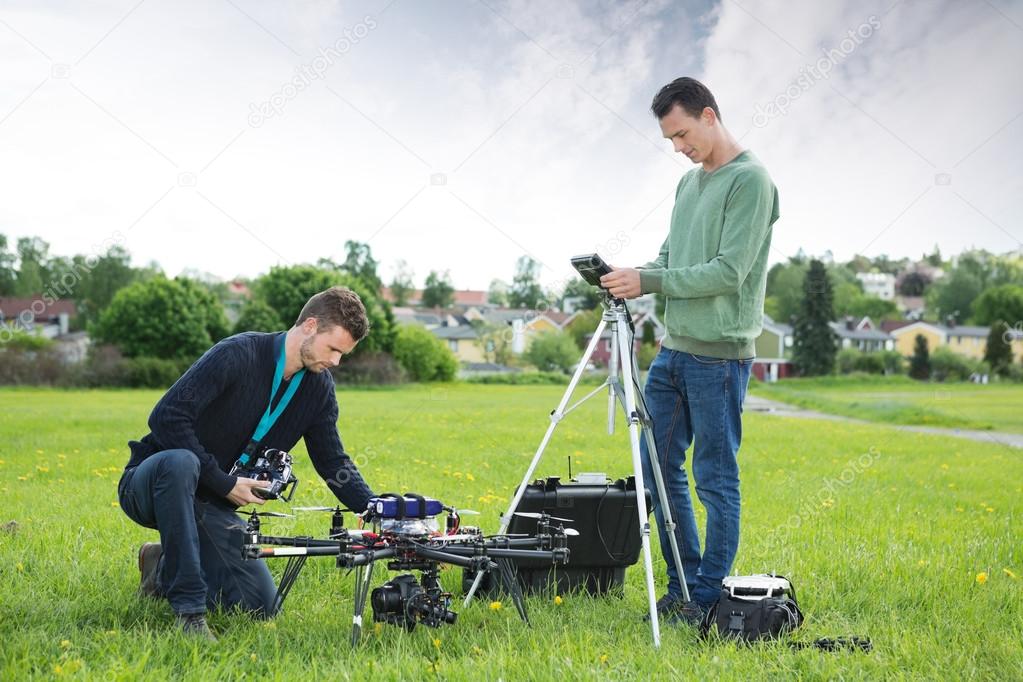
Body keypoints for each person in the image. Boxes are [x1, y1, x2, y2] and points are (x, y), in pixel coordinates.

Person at [600, 77, 779, 624]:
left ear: (708, 115)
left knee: (715, 479)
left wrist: (651, 283)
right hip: (673, 353)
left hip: (720, 356)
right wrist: (631, 276)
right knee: (657, 471)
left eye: (682, 135)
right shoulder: (689, 185)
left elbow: (729, 272)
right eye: (671, 141)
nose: (679, 148)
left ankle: (711, 597)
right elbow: (670, 256)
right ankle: (682, 586)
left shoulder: (750, 182)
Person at [118, 286, 377, 640]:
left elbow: (332, 459)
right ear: (310, 326)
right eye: (333, 349)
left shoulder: (318, 388)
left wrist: (374, 507)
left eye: (343, 354)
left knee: (260, 606)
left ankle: (162, 563)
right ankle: (189, 613)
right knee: (179, 463)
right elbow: (167, 416)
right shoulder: (237, 353)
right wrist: (223, 482)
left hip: (209, 503)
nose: (335, 361)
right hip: (153, 483)